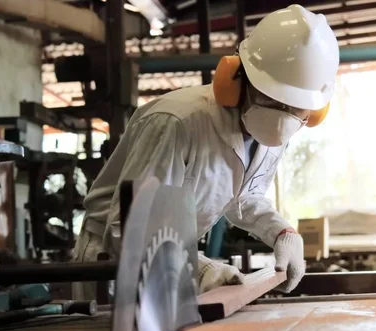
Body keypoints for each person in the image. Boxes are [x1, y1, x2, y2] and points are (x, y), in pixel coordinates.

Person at [73, 4, 339, 298]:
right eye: (271, 100)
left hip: (173, 259)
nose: (281, 119)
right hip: (112, 264)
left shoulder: (279, 133)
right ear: (237, 78)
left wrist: (282, 232)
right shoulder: (177, 123)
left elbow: (244, 196)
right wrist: (198, 269)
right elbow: (129, 227)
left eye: (294, 109)